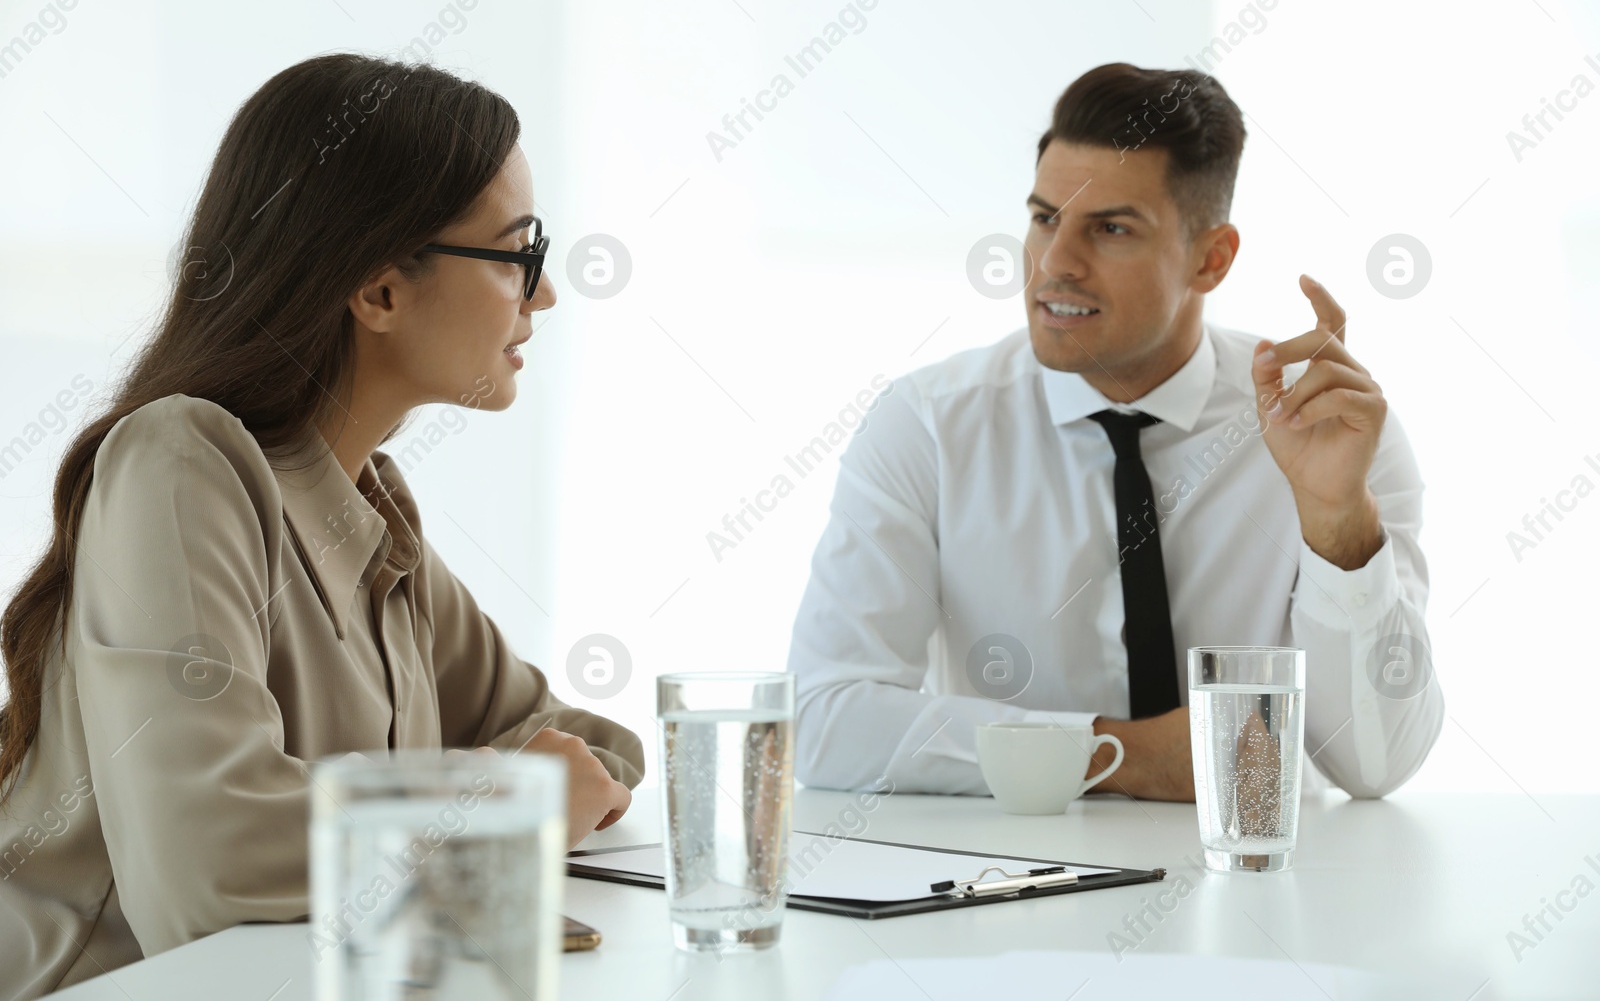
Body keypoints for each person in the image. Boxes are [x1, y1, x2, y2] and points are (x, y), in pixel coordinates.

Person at [0, 54, 642, 998]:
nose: (541, 294)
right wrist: (504, 795)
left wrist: (497, 784)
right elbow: (208, 866)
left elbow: (586, 742)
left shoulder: (370, 511)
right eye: (519, 253)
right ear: (379, 291)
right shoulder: (180, 463)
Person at [787, 63, 1443, 802]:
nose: (1054, 265)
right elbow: (821, 719)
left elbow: (1376, 764)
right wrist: (1116, 753)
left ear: (1211, 257)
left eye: (1111, 228)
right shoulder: (931, 426)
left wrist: (1339, 527)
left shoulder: (1329, 431)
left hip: (1262, 887)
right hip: (1009, 892)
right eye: (1044, 219)